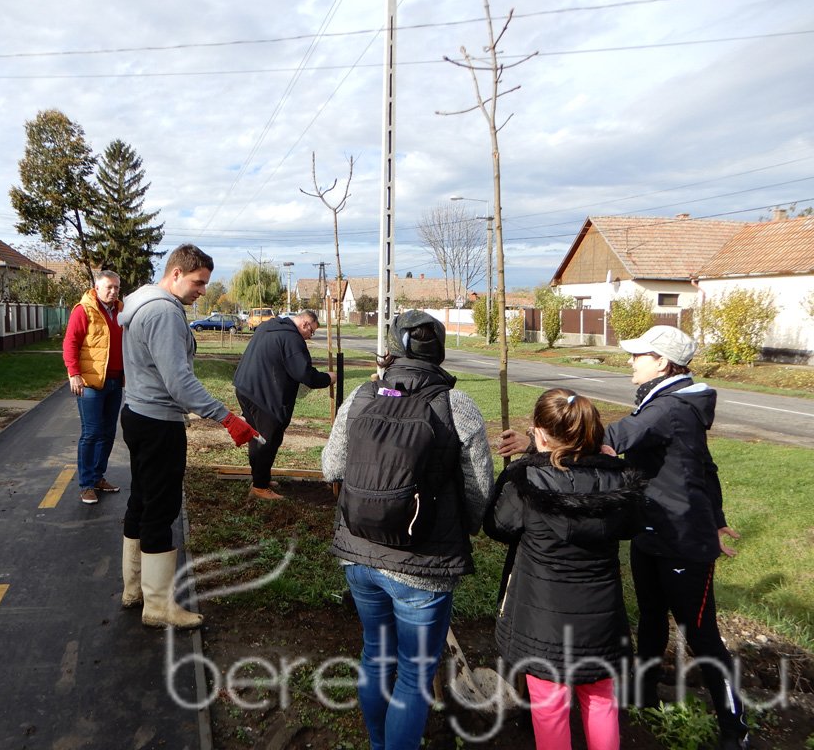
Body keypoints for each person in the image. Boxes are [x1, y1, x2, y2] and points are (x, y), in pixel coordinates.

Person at [498, 325, 750, 750]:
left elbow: (607, 439)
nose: (632, 361)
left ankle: (734, 725)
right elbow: (704, 467)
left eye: (640, 354)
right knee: (651, 617)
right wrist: (718, 516)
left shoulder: (670, 408)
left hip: (682, 538)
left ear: (663, 363)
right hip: (651, 529)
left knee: (701, 632)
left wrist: (539, 443)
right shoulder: (668, 400)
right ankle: (645, 696)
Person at [321, 311, 494, 750]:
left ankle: (379, 744)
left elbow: (330, 467)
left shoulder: (360, 396)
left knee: (376, 656)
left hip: (358, 552)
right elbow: (479, 489)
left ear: (394, 350)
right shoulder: (457, 406)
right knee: (414, 674)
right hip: (424, 563)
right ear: (439, 352)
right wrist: (468, 528)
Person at [484, 388, 644, 750]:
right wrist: (611, 463)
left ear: (539, 433)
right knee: (601, 701)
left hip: (544, 625)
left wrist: (523, 462)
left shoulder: (526, 481)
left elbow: (497, 526)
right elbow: (634, 522)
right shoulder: (618, 481)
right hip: (600, 621)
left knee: (550, 709)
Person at [116, 244, 259, 630]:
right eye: (198, 282)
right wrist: (227, 417)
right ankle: (159, 606)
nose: (202, 291)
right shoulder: (163, 312)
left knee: (142, 501)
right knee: (161, 510)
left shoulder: (141, 301)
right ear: (176, 273)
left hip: (137, 413)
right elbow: (179, 383)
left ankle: (134, 589)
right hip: (159, 422)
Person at [233, 309, 337, 500]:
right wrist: (328, 378)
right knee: (268, 440)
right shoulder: (292, 339)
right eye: (311, 332)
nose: (309, 337)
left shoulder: (268, 327)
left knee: (256, 437)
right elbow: (305, 374)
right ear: (305, 323)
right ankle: (260, 487)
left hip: (245, 389)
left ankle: (260, 478)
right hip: (264, 395)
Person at [63, 269, 124, 505]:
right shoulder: (84, 309)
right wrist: (74, 373)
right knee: (91, 433)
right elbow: (70, 342)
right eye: (109, 287)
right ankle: (86, 484)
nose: (113, 291)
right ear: (96, 288)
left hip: (115, 381)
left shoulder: (120, 310)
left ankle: (98, 477)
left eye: (117, 287)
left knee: (108, 432)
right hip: (90, 383)